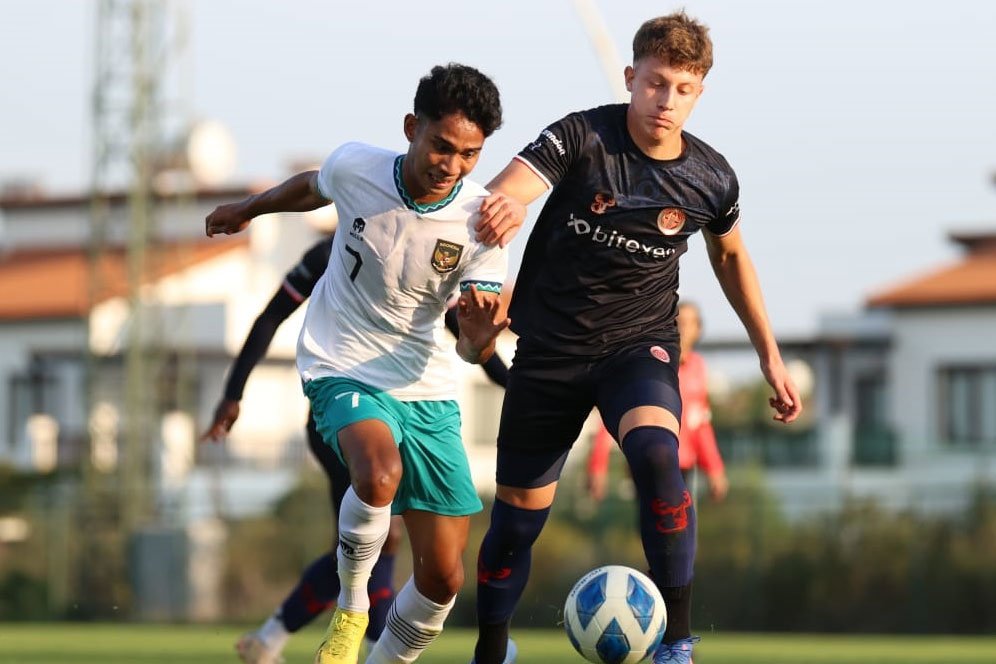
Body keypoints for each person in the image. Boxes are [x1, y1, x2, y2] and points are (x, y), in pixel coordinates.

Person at [470, 12, 802, 664]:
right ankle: (492, 648)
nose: (665, 100)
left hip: (638, 346)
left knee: (657, 454)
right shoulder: (581, 136)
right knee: (514, 524)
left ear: (699, 93)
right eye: (654, 83)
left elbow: (731, 259)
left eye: (682, 88)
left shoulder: (710, 177)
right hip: (550, 351)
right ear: (631, 78)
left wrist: (770, 355)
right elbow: (514, 186)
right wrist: (505, 203)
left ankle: (676, 642)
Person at [206, 63, 520, 664]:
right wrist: (249, 208)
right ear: (412, 128)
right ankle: (351, 612)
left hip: (425, 384)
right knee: (377, 476)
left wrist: (480, 342)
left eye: (469, 154)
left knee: (444, 580)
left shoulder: (483, 224)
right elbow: (309, 185)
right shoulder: (359, 167)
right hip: (341, 364)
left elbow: (468, 347)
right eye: (441, 145)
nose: (450, 165)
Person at [201, 234, 510, 664]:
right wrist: (233, 394)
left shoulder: (415, 258)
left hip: (403, 411)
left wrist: (514, 384)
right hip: (343, 414)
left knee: (358, 547)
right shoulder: (326, 254)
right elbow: (269, 318)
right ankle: (360, 636)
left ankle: (269, 639)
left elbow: (464, 332)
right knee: (380, 534)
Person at [587, 301, 728, 504]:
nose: (683, 328)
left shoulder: (697, 367)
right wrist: (598, 465)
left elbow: (701, 422)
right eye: (678, 321)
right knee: (661, 523)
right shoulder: (650, 363)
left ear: (699, 329)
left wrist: (714, 468)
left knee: (680, 523)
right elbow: (608, 416)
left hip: (684, 462)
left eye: (690, 323)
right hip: (650, 454)